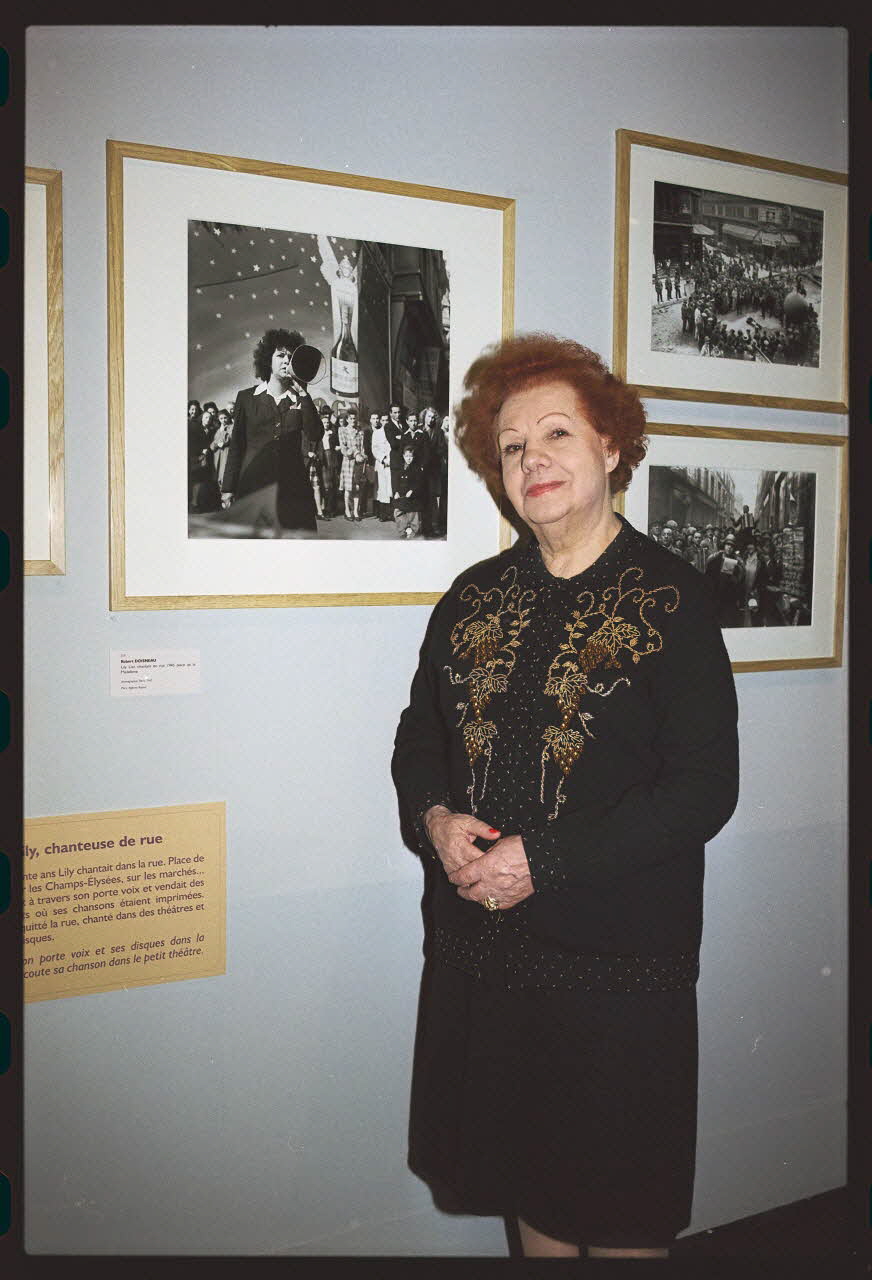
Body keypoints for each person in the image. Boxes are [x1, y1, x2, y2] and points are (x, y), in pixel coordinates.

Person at [392, 333, 739, 1261]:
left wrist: (539, 859)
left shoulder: (673, 597)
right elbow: (419, 735)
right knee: (528, 1189)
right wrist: (435, 820)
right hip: (485, 956)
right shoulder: (470, 598)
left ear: (611, 447)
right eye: (512, 445)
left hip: (617, 963)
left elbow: (704, 788)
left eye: (557, 434)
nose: (533, 459)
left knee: (621, 1210)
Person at [220, 329, 321, 535]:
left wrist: (303, 393)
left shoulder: (300, 399)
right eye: (281, 355)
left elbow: (315, 435)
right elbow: (237, 446)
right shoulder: (247, 398)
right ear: (268, 360)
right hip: (253, 487)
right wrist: (228, 488)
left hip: (293, 491)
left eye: (291, 357)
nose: (287, 361)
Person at [393, 444, 425, 538]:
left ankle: (412, 531)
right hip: (401, 495)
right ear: (403, 456)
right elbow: (396, 480)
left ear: (413, 457)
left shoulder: (416, 468)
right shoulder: (400, 467)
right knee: (398, 512)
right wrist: (396, 491)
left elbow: (418, 482)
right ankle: (402, 530)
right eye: (407, 456)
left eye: (410, 456)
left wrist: (412, 490)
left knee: (412, 515)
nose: (409, 459)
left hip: (412, 497)